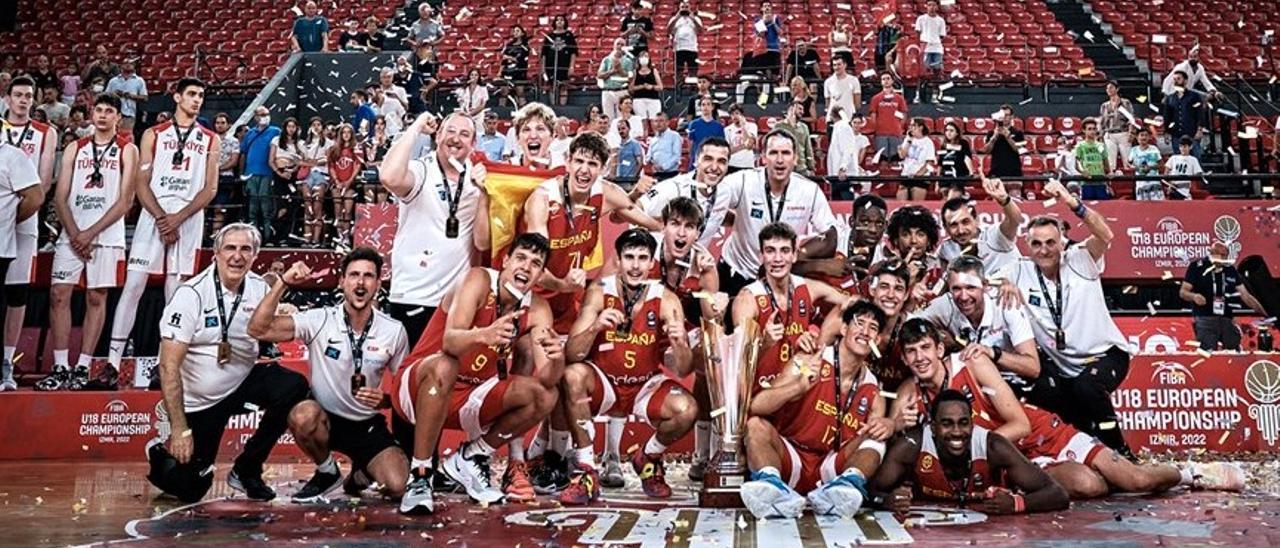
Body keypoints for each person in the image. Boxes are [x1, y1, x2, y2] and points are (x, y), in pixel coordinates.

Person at [891, 318, 1245, 498]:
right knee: (1089, 486)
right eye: (911, 352)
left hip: (1040, 436)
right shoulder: (911, 390)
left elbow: (1019, 425)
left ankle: (1192, 474)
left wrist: (973, 455)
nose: (919, 357)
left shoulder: (973, 365)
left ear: (939, 348)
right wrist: (897, 426)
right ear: (904, 358)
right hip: (1008, 463)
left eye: (925, 347)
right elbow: (897, 437)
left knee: (1135, 479)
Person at [389, 233, 563, 512]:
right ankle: (420, 476)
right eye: (520, 258)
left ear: (540, 275)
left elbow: (546, 379)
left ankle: (471, 456)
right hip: (420, 387)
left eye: (535, 264)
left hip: (471, 396)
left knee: (545, 395)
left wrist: (556, 358)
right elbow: (450, 342)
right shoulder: (479, 280)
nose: (526, 267)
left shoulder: (539, 308)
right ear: (505, 261)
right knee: (446, 364)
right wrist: (485, 334)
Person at [145, 224, 310, 503]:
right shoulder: (191, 295)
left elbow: (274, 304)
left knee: (293, 386)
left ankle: (247, 470)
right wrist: (179, 429)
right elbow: (168, 367)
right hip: (201, 401)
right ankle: (157, 450)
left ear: (255, 255)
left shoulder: (259, 288)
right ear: (216, 254)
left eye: (245, 249)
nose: (237, 256)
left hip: (242, 382)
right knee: (189, 488)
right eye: (230, 248)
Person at [247, 249, 410, 502]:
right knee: (302, 415)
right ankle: (326, 472)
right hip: (324, 418)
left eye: (368, 276)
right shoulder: (320, 319)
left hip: (366, 424)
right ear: (342, 281)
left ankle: (359, 475)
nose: (360, 282)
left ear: (378, 284)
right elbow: (259, 328)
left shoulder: (394, 330)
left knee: (398, 486)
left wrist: (386, 400)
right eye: (354, 275)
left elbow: (406, 390)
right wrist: (284, 283)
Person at [557, 229, 695, 504]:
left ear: (651, 262)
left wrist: (680, 344)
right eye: (629, 257)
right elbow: (572, 353)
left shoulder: (666, 298)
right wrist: (595, 326)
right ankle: (586, 470)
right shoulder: (599, 292)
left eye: (642, 258)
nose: (635, 265)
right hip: (605, 383)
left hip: (644, 385)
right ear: (618, 260)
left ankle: (648, 456)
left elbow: (684, 369)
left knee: (687, 409)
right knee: (572, 376)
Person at [998, 180, 1132, 456]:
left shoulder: (1080, 259)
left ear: (1062, 242)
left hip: (1106, 354)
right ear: (1028, 245)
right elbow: (983, 279)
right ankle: (1093, 457)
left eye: (1050, 242)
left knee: (1087, 388)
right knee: (1056, 401)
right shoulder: (1019, 270)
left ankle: (1121, 451)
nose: (1044, 249)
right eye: (1036, 243)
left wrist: (1071, 202)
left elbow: (1105, 234)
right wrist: (1003, 284)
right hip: (1062, 368)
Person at [106, 79, 220, 385]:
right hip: (153, 216)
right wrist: (161, 218)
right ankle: (112, 364)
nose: (197, 100)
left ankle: (163, 365)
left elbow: (210, 189)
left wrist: (178, 218)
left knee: (176, 291)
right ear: (177, 97)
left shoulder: (211, 139)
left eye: (201, 95)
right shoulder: (154, 134)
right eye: (192, 94)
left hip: (189, 219)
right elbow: (141, 183)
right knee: (133, 285)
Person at [740, 301, 892, 519]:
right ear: (844, 329)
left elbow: (870, 443)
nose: (865, 332)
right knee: (755, 425)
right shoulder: (808, 361)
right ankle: (773, 489)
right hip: (792, 458)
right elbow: (757, 405)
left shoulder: (873, 389)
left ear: (877, 341)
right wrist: (797, 387)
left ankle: (847, 487)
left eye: (873, 328)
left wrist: (888, 424)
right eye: (859, 323)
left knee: (877, 434)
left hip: (831, 471)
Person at [515, 132, 659, 336]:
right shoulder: (543, 199)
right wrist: (562, 285)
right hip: (531, 291)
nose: (584, 170)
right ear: (567, 162)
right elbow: (533, 265)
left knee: (570, 357)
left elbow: (651, 223)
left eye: (592, 164)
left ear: (603, 168)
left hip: (568, 295)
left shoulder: (606, 193)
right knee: (533, 355)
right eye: (579, 161)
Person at [37, 95, 136, 391]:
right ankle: (60, 365)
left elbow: (126, 201)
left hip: (105, 236)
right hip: (73, 232)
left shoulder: (127, 149)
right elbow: (60, 195)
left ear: (118, 117)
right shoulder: (74, 148)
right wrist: (75, 233)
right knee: (58, 294)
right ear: (92, 114)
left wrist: (89, 234)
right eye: (99, 110)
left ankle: (83, 364)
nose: (103, 116)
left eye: (109, 111)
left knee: (96, 297)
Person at [379, 112, 489, 347]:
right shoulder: (422, 170)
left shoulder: (479, 177)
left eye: (464, 134)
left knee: (447, 376)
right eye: (450, 131)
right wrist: (416, 127)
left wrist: (484, 193)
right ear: (438, 135)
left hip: (456, 302)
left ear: (474, 143)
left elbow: (483, 242)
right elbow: (388, 176)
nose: (456, 139)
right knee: (410, 375)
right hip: (413, 294)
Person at [871, 389, 1070, 514]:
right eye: (947, 424)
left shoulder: (993, 446)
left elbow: (1058, 494)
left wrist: (1017, 504)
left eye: (963, 423)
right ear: (932, 427)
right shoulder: (912, 445)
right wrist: (886, 501)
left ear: (972, 424)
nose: (957, 432)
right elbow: (870, 490)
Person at [717, 132, 837, 309]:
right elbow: (711, 203)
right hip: (738, 272)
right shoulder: (743, 181)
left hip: (780, 279)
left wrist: (801, 257)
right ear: (763, 157)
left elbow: (831, 235)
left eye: (786, 153)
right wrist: (735, 220)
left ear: (795, 158)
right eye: (773, 153)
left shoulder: (809, 190)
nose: (780, 160)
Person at [733, 223, 848, 391]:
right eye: (770, 251)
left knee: (842, 313)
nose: (778, 259)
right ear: (761, 256)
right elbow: (739, 360)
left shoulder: (808, 287)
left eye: (785, 251)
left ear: (794, 255)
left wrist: (819, 339)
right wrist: (765, 342)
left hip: (796, 381)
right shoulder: (747, 300)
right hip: (760, 389)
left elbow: (851, 302)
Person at [913, 256, 1042, 392]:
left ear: (985, 286)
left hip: (1012, 382)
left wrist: (991, 353)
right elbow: (909, 327)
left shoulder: (1005, 302)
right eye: (956, 289)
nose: (963, 296)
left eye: (970, 288)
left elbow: (1033, 367)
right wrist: (936, 335)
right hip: (970, 384)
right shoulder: (946, 304)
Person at [1, 76, 57, 390]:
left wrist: (17, 215)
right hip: (0, 216)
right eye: (18, 95)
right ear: (7, 98)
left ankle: (8, 360)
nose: (23, 100)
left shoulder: (45, 133)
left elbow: (44, 183)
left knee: (17, 292)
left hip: (25, 218)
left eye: (28, 96)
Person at [638, 137, 732, 248]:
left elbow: (718, 214)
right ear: (697, 160)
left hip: (693, 262)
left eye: (722, 161)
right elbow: (631, 209)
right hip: (661, 261)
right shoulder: (674, 187)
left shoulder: (725, 192)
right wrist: (659, 226)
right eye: (708, 159)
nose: (714, 167)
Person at [794, 194, 888, 296]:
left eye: (879, 223)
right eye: (865, 222)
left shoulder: (884, 256)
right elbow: (789, 265)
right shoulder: (832, 239)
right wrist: (822, 265)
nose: (873, 230)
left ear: (885, 226)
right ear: (852, 222)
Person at [1181, 242, 1266, 351]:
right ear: (1212, 253)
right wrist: (1194, 296)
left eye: (1226, 255)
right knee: (1208, 351)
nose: (1223, 258)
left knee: (1233, 347)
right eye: (1221, 255)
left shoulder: (1230, 270)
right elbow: (1183, 292)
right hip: (1205, 317)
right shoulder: (1197, 267)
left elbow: (1246, 296)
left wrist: (1265, 312)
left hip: (1226, 318)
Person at [937, 178, 1023, 276]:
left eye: (965, 222)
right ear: (945, 227)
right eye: (953, 225)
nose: (961, 230)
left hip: (1016, 288)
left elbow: (1015, 220)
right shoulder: (946, 249)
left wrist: (1004, 199)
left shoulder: (994, 235)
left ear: (977, 220)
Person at [240, 108, 280, 244]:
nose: (265, 117)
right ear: (255, 117)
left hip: (268, 173)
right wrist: (241, 173)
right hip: (250, 174)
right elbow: (243, 153)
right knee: (252, 207)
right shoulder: (250, 133)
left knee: (265, 206)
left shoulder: (276, 131)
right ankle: (252, 239)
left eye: (267, 114)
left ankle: (268, 236)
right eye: (262, 115)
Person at [826, 108, 869, 200]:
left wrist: (843, 167)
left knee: (846, 202)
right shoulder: (839, 127)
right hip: (837, 174)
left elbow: (847, 149)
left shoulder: (843, 127)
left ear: (832, 116)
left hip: (843, 175)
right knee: (837, 203)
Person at [868, 73, 909, 164]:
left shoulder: (899, 98)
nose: (886, 81)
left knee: (896, 160)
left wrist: (898, 127)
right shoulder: (876, 99)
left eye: (888, 78)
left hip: (896, 133)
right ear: (881, 82)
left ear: (892, 80)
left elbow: (904, 114)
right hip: (881, 134)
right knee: (882, 161)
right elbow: (873, 116)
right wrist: (877, 128)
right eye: (883, 79)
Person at [1163, 71, 1206, 158]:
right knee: (1178, 159)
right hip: (1176, 133)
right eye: (1174, 79)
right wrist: (1166, 131)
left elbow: (1200, 113)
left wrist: (1200, 129)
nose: (1176, 81)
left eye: (1178, 79)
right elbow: (1167, 116)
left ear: (1185, 81)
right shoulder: (1170, 98)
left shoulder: (1194, 96)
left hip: (1192, 132)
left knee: (1195, 158)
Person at [328, 123, 361, 237]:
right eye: (344, 132)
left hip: (350, 184)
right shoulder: (334, 149)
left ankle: (346, 236)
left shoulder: (356, 149)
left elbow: (357, 166)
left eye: (348, 132)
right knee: (338, 209)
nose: (346, 135)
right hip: (337, 183)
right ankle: (339, 236)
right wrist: (337, 181)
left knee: (347, 210)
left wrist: (349, 181)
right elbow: (331, 166)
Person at [912, 0, 946, 103]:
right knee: (922, 73)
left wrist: (934, 41)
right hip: (925, 48)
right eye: (929, 5)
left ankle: (934, 95)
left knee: (937, 72)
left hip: (937, 49)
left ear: (937, 7)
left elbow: (941, 35)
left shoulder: (941, 20)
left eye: (933, 5)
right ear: (926, 6)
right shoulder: (921, 19)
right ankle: (918, 94)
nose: (931, 7)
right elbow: (917, 33)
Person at [773, 101, 816, 178]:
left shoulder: (804, 127)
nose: (802, 112)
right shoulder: (778, 126)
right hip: (785, 167)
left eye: (802, 110)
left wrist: (811, 167)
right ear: (791, 109)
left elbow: (808, 148)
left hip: (802, 168)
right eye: (800, 109)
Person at [541, 15, 578, 105]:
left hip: (564, 65)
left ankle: (562, 106)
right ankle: (554, 106)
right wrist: (543, 68)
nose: (559, 21)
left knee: (563, 86)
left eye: (562, 19)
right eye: (557, 20)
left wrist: (571, 66)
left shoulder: (569, 35)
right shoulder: (549, 36)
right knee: (552, 86)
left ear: (565, 22)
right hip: (551, 65)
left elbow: (573, 52)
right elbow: (544, 54)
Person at [1099, 81, 1134, 172]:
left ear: (1117, 89)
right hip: (1109, 134)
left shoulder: (1125, 103)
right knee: (1111, 162)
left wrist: (1131, 132)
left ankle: (1130, 181)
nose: (1108, 90)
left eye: (1111, 87)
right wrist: (1101, 135)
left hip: (1123, 133)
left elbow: (1131, 119)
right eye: (1107, 88)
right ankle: (1113, 182)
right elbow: (1102, 122)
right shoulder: (1104, 106)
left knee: (1127, 161)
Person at [897, 118, 935, 201]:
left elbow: (929, 163)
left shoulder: (928, 142)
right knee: (901, 197)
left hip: (920, 177)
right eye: (910, 126)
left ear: (920, 127)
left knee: (917, 199)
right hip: (906, 175)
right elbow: (902, 156)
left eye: (913, 125)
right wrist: (909, 141)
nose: (910, 128)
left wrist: (918, 175)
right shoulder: (908, 139)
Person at [598, 38, 636, 121]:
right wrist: (612, 71)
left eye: (622, 44)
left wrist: (620, 71)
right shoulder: (606, 59)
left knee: (622, 118)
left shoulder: (628, 61)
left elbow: (630, 77)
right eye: (618, 44)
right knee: (607, 118)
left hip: (621, 91)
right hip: (608, 91)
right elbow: (599, 75)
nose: (619, 46)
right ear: (614, 46)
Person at [1073, 118, 1112, 199]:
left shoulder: (1101, 146)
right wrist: (1082, 171)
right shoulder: (1080, 146)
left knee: (1103, 207)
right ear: (1084, 130)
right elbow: (1077, 162)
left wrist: (1109, 175)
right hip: (1087, 183)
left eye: (1094, 129)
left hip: (1100, 182)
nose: (1092, 131)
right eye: (1089, 129)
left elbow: (1106, 162)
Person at [984, 105, 1024, 181]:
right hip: (996, 171)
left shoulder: (1018, 133)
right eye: (1002, 115)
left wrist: (1008, 137)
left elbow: (1020, 151)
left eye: (1007, 115)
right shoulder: (991, 133)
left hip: (1014, 172)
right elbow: (986, 151)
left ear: (1012, 116)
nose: (1004, 117)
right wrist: (993, 138)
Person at [103, 61, 147, 131]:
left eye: (130, 63)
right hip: (113, 114)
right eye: (126, 63)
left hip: (129, 114)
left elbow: (145, 98)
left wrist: (130, 96)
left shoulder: (139, 80)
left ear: (134, 66)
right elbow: (105, 97)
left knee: (126, 137)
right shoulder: (113, 81)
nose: (128, 65)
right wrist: (114, 94)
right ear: (121, 66)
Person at [937, 121, 975, 199]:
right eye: (947, 130)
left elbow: (966, 158)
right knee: (945, 196)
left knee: (953, 196)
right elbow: (940, 164)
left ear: (957, 132)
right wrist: (937, 182)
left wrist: (971, 172)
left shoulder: (963, 143)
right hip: (945, 177)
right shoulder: (943, 145)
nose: (948, 133)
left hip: (958, 175)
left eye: (951, 130)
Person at [685, 95, 725, 170]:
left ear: (712, 107)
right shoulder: (693, 124)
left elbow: (720, 146)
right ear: (700, 107)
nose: (705, 107)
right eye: (703, 105)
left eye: (708, 104)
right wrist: (692, 158)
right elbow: (690, 143)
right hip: (697, 160)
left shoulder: (719, 126)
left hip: (712, 161)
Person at [668, 1, 702, 80]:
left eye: (686, 7)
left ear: (690, 8)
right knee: (678, 71)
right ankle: (678, 89)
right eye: (682, 7)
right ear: (679, 8)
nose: (684, 9)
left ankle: (693, 89)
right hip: (679, 48)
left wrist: (693, 19)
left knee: (693, 70)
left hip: (692, 48)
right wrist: (676, 18)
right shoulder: (674, 19)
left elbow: (701, 31)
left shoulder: (696, 18)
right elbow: (669, 31)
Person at [499, 25, 531, 106]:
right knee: (503, 91)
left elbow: (521, 60)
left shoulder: (525, 46)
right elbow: (503, 60)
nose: (515, 33)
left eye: (517, 31)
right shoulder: (509, 45)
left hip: (519, 72)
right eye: (514, 31)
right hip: (507, 71)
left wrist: (509, 57)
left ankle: (523, 110)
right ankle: (501, 110)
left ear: (522, 33)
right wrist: (499, 72)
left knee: (520, 92)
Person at [645, 112, 682, 180]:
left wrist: (663, 167)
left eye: (661, 121)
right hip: (656, 174)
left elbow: (676, 156)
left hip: (671, 174)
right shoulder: (653, 139)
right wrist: (651, 163)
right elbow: (648, 157)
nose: (658, 123)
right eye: (656, 121)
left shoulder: (674, 136)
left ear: (667, 122)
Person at [1128, 129, 1163, 199]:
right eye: (1141, 135)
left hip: (1154, 182)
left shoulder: (1154, 149)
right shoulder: (1133, 150)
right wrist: (1137, 168)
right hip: (1141, 183)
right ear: (1137, 137)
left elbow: (1161, 164)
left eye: (1146, 135)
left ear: (1149, 137)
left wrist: (1150, 168)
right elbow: (1128, 164)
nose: (1144, 137)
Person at [1163, 135, 1202, 199]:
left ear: (1190, 147)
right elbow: (1166, 173)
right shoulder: (1173, 158)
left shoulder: (1193, 159)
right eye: (1181, 146)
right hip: (1172, 188)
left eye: (1185, 146)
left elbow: (1197, 174)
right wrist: (1169, 184)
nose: (1182, 149)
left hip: (1185, 189)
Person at [823, 57, 861, 122]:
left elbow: (857, 102)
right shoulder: (828, 82)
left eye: (839, 64)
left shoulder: (854, 80)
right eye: (834, 65)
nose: (836, 67)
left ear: (845, 65)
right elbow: (827, 103)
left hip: (849, 117)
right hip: (832, 118)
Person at [724, 104, 758, 174]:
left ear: (742, 115)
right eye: (732, 114)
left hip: (747, 164)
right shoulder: (727, 130)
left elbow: (749, 145)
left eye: (737, 113)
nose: (734, 116)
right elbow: (729, 150)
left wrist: (743, 126)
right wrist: (744, 146)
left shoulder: (752, 126)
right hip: (732, 164)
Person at [628, 51, 663, 119]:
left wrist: (652, 87)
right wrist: (641, 87)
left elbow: (660, 87)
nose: (644, 58)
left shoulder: (654, 71)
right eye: (642, 56)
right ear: (639, 59)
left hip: (653, 99)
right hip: (639, 99)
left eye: (646, 56)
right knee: (641, 120)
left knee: (654, 119)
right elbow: (631, 88)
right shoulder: (635, 72)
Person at [456, 69, 489, 139]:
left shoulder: (483, 89)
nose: (474, 77)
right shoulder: (464, 89)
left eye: (476, 75)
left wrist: (471, 114)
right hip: (465, 114)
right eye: (472, 75)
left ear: (479, 77)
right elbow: (460, 100)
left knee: (478, 135)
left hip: (478, 116)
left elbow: (482, 105)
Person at [754, 2, 785, 78]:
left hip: (775, 49)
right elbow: (761, 34)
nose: (767, 7)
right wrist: (764, 21)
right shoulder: (758, 20)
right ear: (761, 9)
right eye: (765, 6)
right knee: (765, 73)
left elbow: (780, 32)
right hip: (763, 49)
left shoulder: (776, 18)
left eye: (768, 6)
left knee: (775, 72)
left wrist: (773, 23)